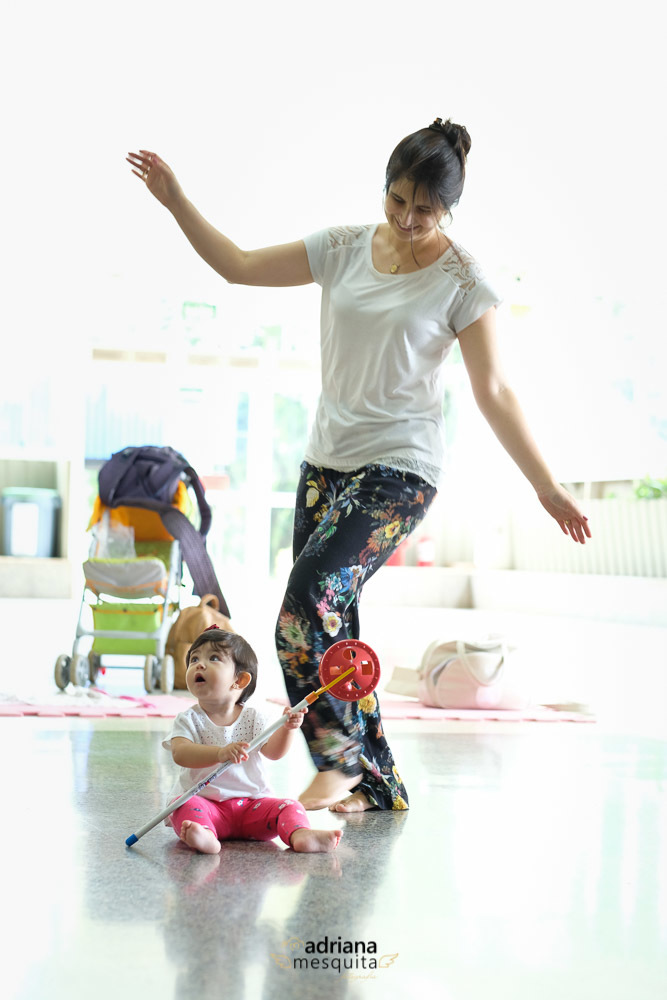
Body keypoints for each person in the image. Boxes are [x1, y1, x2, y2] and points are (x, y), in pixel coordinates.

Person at [128, 117, 591, 816]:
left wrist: (545, 485)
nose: (407, 219)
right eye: (397, 201)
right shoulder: (341, 248)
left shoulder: (463, 280)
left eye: (425, 210)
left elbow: (493, 391)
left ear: (449, 209)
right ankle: (378, 785)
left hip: (401, 469)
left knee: (300, 609)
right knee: (332, 628)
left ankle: (338, 762)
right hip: (326, 464)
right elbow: (238, 265)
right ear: (384, 188)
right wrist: (175, 200)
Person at [162, 625, 342, 854]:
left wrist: (287, 729)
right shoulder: (188, 719)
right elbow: (181, 753)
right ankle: (205, 835)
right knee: (182, 804)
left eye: (213, 658)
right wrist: (219, 753)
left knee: (290, 805)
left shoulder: (254, 717)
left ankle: (300, 834)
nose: (199, 663)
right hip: (206, 805)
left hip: (252, 807)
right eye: (194, 658)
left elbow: (273, 753)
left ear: (240, 680)